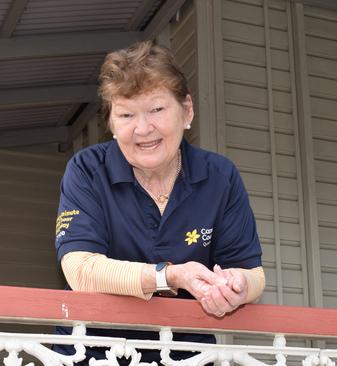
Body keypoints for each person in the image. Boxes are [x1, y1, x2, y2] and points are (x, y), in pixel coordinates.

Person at [54, 41, 265, 364]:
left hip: (186, 353)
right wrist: (169, 276)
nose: (143, 128)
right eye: (126, 114)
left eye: (156, 109)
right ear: (111, 124)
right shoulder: (86, 170)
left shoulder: (220, 176)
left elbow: (252, 274)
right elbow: (79, 269)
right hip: (91, 353)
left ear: (187, 110)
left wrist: (236, 286)